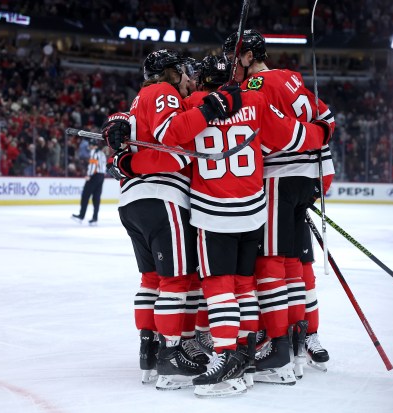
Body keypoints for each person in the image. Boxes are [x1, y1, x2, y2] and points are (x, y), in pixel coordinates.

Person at [110, 54, 333, 397]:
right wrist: (321, 131)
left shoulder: (192, 105)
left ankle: (220, 354)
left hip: (212, 212)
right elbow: (285, 139)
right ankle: (251, 351)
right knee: (248, 283)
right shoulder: (254, 100)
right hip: (254, 209)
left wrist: (126, 153)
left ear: (201, 82)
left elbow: (163, 134)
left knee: (213, 285)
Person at [101, 49, 242, 390]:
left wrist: (126, 161)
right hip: (163, 198)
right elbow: (171, 140)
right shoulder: (163, 92)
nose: (189, 77)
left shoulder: (138, 100)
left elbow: (133, 143)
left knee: (151, 280)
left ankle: (149, 351)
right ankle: (170, 355)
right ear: (170, 72)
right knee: (176, 282)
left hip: (132, 202)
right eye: (183, 71)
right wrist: (212, 108)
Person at [224, 29, 335, 380]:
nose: (231, 68)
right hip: (308, 179)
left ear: (247, 57)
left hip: (280, 179)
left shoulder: (254, 86)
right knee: (292, 263)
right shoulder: (291, 80)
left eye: (233, 60)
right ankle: (298, 339)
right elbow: (327, 119)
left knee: (271, 263)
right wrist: (317, 164)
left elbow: (273, 133)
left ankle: (278, 345)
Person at [71, 140, 106, 225]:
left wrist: (89, 175)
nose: (89, 147)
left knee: (85, 196)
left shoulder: (94, 152)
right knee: (96, 198)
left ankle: (81, 216)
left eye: (90, 145)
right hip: (101, 176)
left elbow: (93, 165)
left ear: (92, 145)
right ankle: (95, 218)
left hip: (94, 175)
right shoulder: (102, 153)